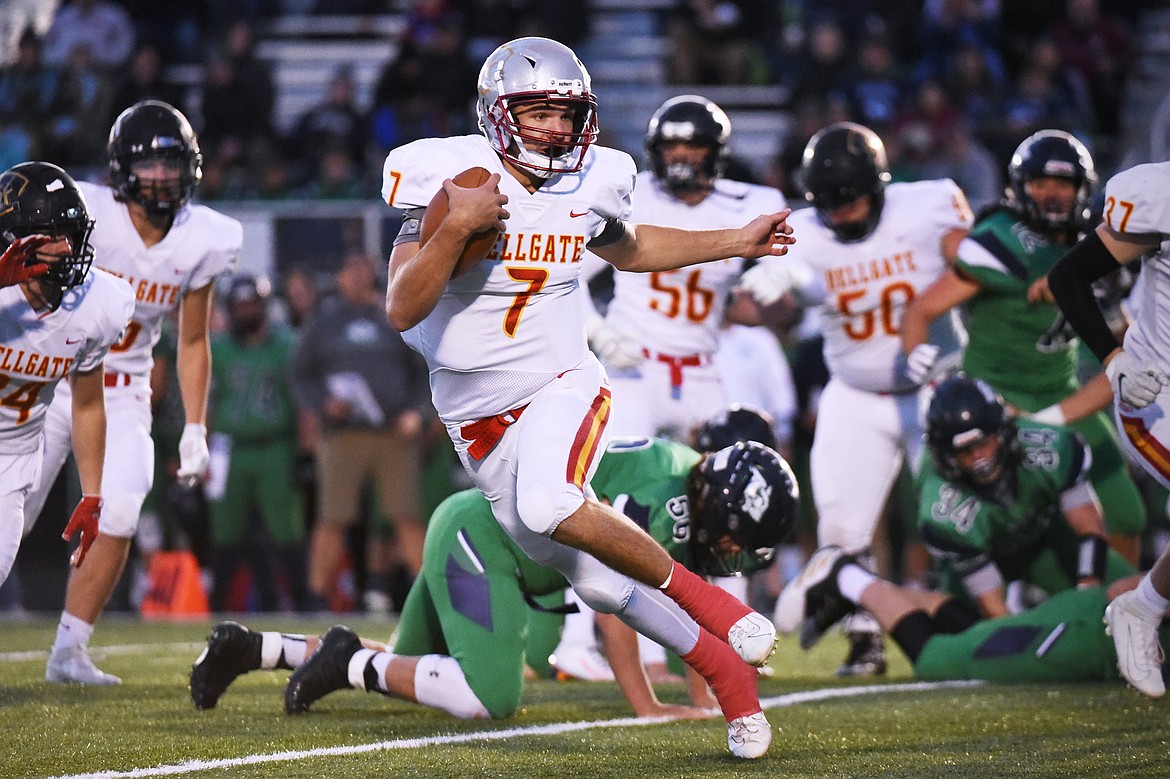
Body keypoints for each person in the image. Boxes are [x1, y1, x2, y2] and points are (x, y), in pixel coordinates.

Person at [380, 37, 795, 758]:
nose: (555, 129)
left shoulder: (594, 179)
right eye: (537, 112)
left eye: (565, 114)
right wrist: (456, 228)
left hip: (562, 384)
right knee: (601, 586)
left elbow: (630, 248)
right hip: (477, 422)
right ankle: (730, 675)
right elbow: (402, 306)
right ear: (498, 114)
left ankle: (720, 609)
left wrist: (736, 240)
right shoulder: (452, 175)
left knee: (550, 498)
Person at [189, 440, 797, 724]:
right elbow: (617, 602)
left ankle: (256, 648)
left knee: (417, 668)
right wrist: (648, 706)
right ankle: (347, 661)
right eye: (734, 537)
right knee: (490, 697)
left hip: (480, 533)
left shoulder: (675, 475)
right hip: (488, 544)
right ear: (717, 506)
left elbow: (679, 604)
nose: (730, 551)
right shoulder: (667, 499)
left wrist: (703, 695)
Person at [739, 121, 973, 676]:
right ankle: (866, 637)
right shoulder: (802, 232)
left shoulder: (929, 205)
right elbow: (771, 307)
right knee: (842, 532)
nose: (841, 213)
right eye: (829, 204)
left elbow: (976, 266)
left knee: (961, 521)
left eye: (852, 200)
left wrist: (931, 321)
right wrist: (776, 287)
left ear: (880, 186)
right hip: (856, 393)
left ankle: (983, 622)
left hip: (937, 391)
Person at [23, 100, 240, 685]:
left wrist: (195, 425)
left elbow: (193, 340)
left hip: (121, 392)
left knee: (120, 506)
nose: (164, 177)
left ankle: (70, 650)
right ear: (121, 168)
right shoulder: (86, 210)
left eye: (173, 164)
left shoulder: (202, 238)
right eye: (151, 165)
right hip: (49, 381)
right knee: (9, 519)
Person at [901, 129, 1146, 565]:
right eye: (1040, 184)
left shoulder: (1096, 246)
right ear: (1021, 189)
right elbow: (921, 310)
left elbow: (1126, 356)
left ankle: (1118, 610)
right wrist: (918, 366)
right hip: (992, 399)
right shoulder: (1003, 242)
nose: (1051, 196)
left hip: (1057, 391)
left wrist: (1076, 282)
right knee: (944, 518)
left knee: (1127, 514)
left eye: (1063, 184)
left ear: (1082, 189)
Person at [788, 374, 1132, 626]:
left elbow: (1090, 526)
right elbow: (994, 607)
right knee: (972, 647)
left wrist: (1088, 590)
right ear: (946, 456)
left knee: (1129, 597)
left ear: (1003, 429)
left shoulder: (1047, 447)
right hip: (985, 561)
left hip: (1048, 544)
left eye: (984, 442)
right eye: (966, 450)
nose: (980, 457)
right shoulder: (942, 506)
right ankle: (850, 588)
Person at [583, 95, 787, 443]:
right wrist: (598, 331)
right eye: (670, 146)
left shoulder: (750, 204)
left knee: (721, 477)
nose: (679, 156)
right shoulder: (632, 194)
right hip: (632, 367)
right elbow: (567, 272)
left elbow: (795, 268)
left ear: (715, 151)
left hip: (701, 370)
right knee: (624, 475)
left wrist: (783, 272)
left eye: (691, 146)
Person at [1049, 160, 1170, 698]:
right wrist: (1116, 361)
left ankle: (1141, 605)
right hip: (1157, 394)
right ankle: (1142, 607)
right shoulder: (1159, 197)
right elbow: (1068, 275)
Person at [0, 161, 134, 587]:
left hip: (12, 460)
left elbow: (89, 402)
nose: (66, 249)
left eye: (70, 236)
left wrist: (92, 493)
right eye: (51, 237)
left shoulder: (99, 303)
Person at [776, 545, 1163, 686]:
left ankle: (868, 591)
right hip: (1086, 636)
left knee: (980, 636)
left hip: (1089, 625)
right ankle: (847, 576)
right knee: (938, 660)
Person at [291, 249, 431, 613]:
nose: (357, 277)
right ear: (338, 278)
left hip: (393, 433)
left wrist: (417, 412)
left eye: (363, 270)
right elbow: (300, 374)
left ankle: (428, 596)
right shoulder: (324, 323)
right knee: (333, 516)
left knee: (406, 514)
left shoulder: (395, 315)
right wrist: (323, 402)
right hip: (342, 435)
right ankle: (316, 596)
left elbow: (424, 370)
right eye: (349, 270)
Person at [205, 273, 307, 611]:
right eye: (240, 305)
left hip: (273, 446)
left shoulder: (286, 345)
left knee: (285, 531)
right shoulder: (217, 349)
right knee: (225, 533)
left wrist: (305, 450)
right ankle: (217, 609)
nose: (246, 312)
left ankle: (302, 604)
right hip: (228, 448)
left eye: (251, 305)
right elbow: (206, 402)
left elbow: (301, 400)